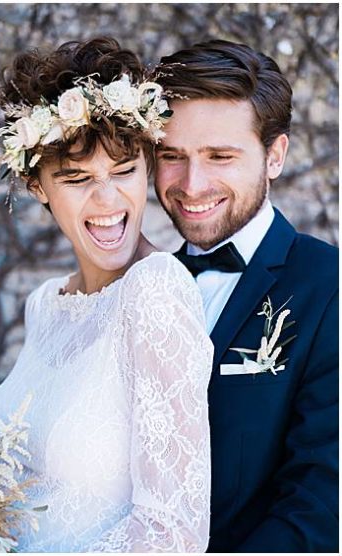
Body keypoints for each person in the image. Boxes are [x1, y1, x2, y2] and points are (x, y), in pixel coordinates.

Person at [0, 37, 212, 552]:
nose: (108, 200)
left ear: (147, 166)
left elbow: (173, 533)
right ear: (38, 186)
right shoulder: (44, 304)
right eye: (77, 178)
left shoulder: (156, 291)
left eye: (124, 171)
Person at [155, 39, 339, 552]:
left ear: (274, 155)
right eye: (172, 155)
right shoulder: (141, 285)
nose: (191, 184)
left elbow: (324, 501)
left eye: (220, 156)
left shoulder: (329, 285)